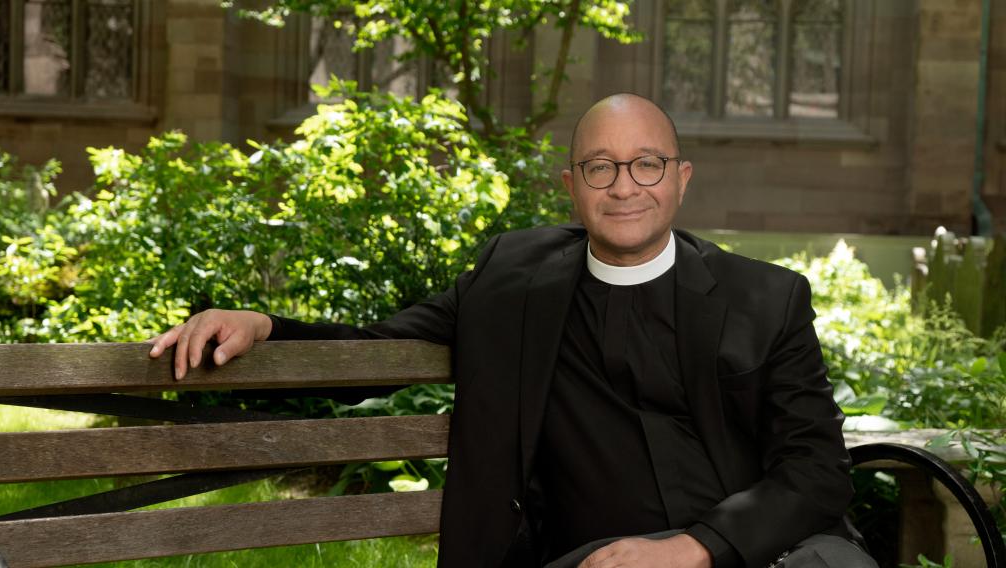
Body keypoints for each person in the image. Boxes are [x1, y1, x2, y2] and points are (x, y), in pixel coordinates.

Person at [150, 93, 877, 568]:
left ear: (681, 178)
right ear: (570, 187)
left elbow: (815, 472)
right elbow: (381, 348)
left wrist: (699, 547)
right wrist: (264, 322)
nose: (624, 186)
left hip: (750, 553)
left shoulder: (766, 298)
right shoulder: (511, 279)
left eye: (646, 164)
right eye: (600, 167)